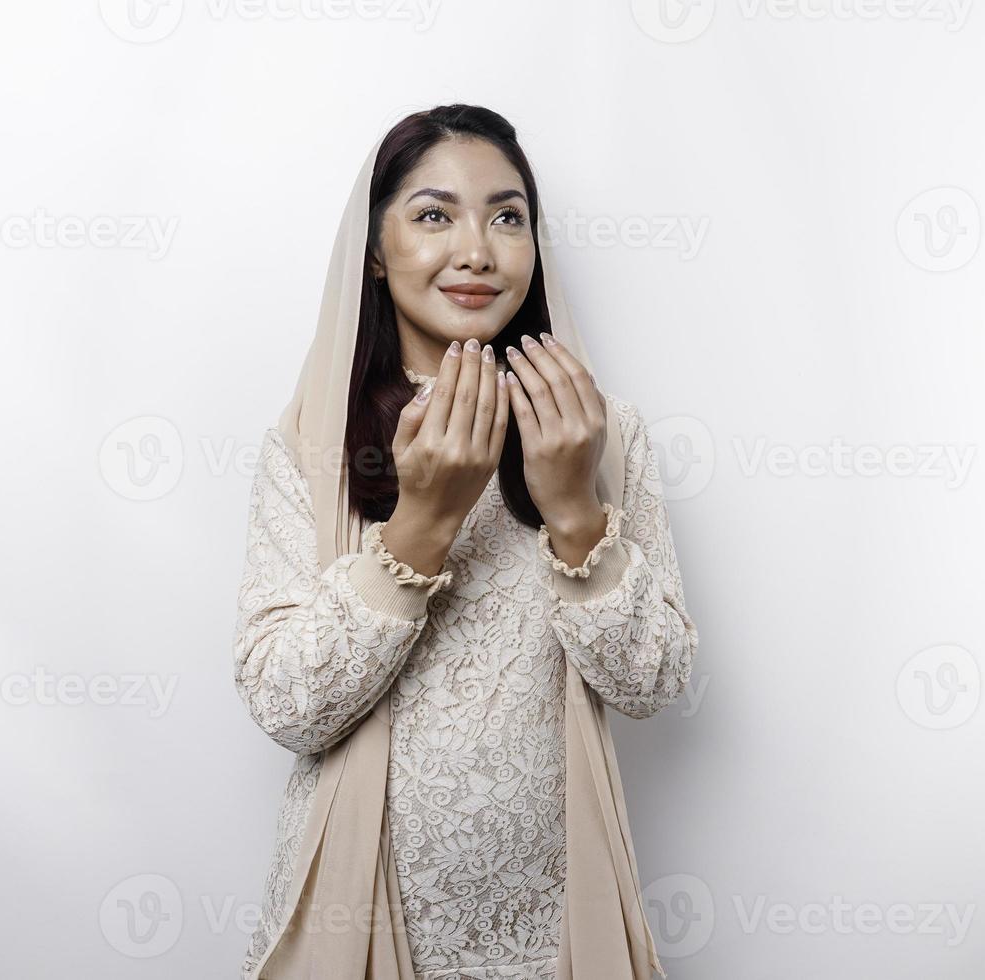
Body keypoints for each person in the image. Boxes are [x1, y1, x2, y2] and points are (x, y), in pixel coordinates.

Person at [234, 103, 699, 980]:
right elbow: (287, 705)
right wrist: (422, 526)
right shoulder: (313, 442)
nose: (478, 250)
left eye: (508, 216)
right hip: (359, 909)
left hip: (557, 917)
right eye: (434, 214)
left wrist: (574, 508)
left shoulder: (601, 432)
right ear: (375, 249)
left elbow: (653, 682)